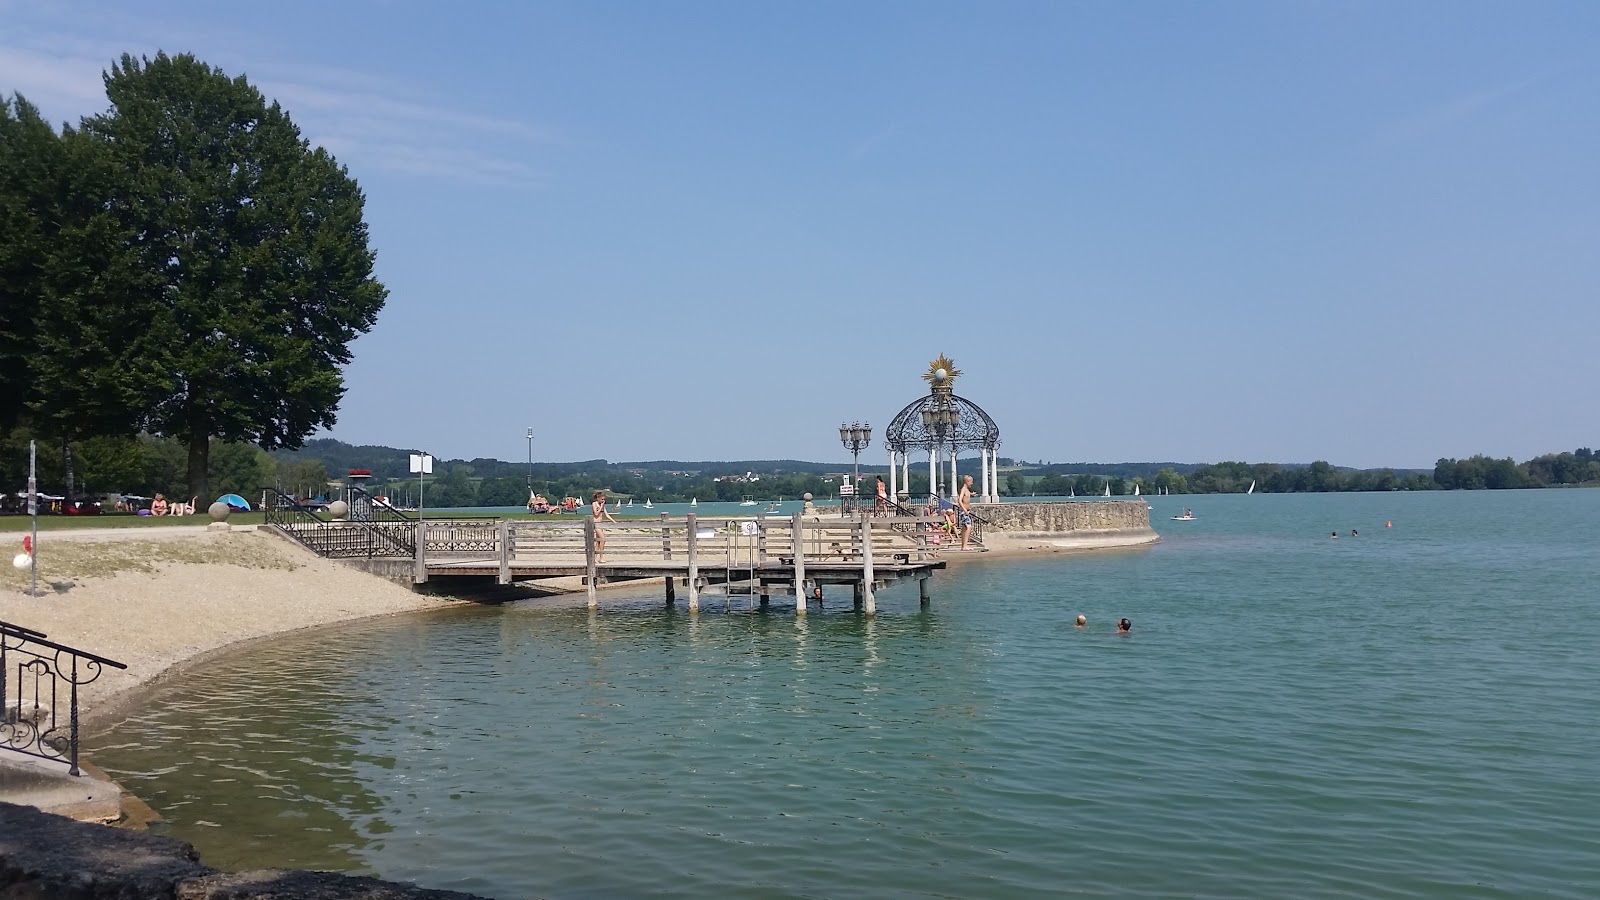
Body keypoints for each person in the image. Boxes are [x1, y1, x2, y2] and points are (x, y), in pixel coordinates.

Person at [591, 491, 617, 561]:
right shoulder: (594, 504)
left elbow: (606, 514)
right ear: (598, 498)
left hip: (600, 524)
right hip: (596, 524)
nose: (603, 501)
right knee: (603, 539)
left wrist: (613, 521)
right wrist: (601, 507)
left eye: (604, 499)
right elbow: (596, 514)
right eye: (602, 499)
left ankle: (595, 558)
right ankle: (601, 557)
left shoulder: (602, 505)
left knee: (598, 541)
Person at [957, 475, 975, 550]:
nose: (972, 483)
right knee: (969, 526)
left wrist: (971, 494)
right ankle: (965, 545)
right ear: (967, 481)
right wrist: (964, 510)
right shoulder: (963, 489)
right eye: (971, 482)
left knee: (964, 528)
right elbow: (959, 500)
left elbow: (967, 495)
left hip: (966, 511)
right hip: (963, 511)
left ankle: (963, 546)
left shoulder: (967, 490)